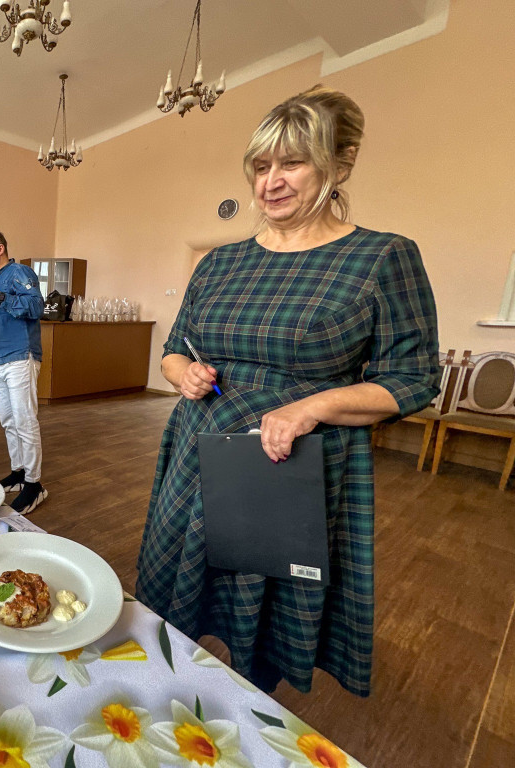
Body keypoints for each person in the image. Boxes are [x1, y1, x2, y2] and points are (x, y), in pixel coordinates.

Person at [135, 85, 439, 697]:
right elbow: (175, 347)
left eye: (292, 163)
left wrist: (313, 406)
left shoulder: (381, 257)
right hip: (199, 448)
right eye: (261, 166)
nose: (270, 182)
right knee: (177, 596)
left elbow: (413, 379)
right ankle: (165, 699)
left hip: (293, 463)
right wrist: (179, 372)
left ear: (340, 165)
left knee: (261, 615)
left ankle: (241, 720)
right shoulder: (219, 263)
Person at [0, 228, 48, 516]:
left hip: (20, 357)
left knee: (25, 421)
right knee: (8, 420)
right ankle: (19, 472)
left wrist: (0, 297)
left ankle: (34, 484)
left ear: (0, 248)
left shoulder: (19, 272)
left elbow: (37, 306)